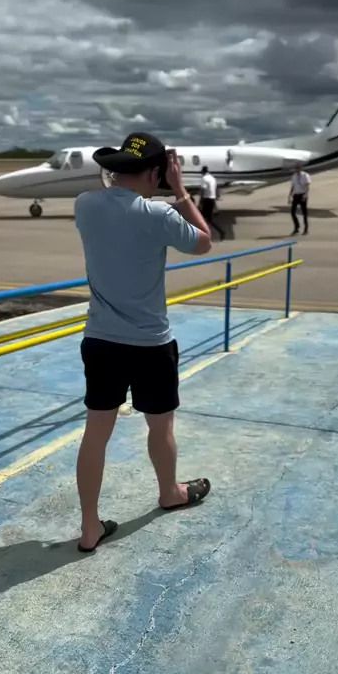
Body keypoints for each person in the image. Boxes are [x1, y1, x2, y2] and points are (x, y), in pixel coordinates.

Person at [73, 132, 213, 553]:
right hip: (150, 343)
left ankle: (89, 527)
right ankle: (170, 491)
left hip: (100, 340)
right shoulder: (159, 214)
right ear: (156, 173)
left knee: (96, 434)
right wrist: (181, 191)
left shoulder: (85, 204)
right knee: (160, 425)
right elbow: (204, 241)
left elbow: (110, 194)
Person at [200, 166, 225, 240]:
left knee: (201, 218)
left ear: (203, 172)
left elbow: (203, 190)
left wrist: (201, 201)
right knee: (208, 219)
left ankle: (203, 235)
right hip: (212, 199)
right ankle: (220, 232)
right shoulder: (213, 178)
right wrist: (217, 196)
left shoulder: (204, 178)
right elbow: (216, 188)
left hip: (207, 200)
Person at [288, 162, 311, 235]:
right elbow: (293, 186)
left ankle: (306, 229)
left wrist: (305, 194)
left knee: (304, 213)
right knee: (292, 212)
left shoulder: (305, 175)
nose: (297, 169)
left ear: (301, 168)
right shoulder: (294, 176)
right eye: (296, 168)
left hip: (302, 195)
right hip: (296, 195)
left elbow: (307, 186)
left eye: (298, 168)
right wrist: (289, 196)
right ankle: (297, 227)